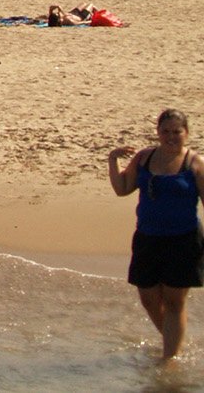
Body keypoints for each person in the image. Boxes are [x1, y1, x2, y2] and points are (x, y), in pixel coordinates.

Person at [110, 110, 204, 364]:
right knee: (148, 297)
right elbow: (123, 189)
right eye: (166, 131)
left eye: (177, 132)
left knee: (175, 302)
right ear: (158, 133)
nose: (171, 137)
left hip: (183, 240)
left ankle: (170, 360)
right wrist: (113, 161)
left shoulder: (195, 164)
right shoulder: (144, 157)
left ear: (187, 133)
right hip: (147, 238)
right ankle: (174, 341)